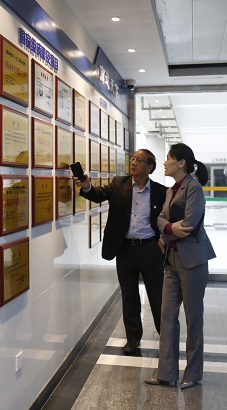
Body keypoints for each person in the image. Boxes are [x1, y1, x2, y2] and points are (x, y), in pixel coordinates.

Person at [73, 149, 167, 355]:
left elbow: (168, 218)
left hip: (150, 249)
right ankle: (133, 339)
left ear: (150, 167)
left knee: (158, 296)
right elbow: (98, 195)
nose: (133, 162)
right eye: (133, 159)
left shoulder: (161, 191)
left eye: (139, 160)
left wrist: (161, 242)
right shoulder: (119, 183)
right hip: (125, 249)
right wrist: (86, 185)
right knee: (129, 295)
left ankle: (166, 339)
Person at [145, 143, 216, 390]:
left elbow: (188, 225)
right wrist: (168, 227)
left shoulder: (194, 188)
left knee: (193, 318)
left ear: (181, 162)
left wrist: (169, 229)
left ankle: (193, 373)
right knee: (166, 316)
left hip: (192, 262)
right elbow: (160, 219)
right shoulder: (171, 190)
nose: (165, 162)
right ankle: (166, 373)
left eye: (168, 158)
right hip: (171, 260)